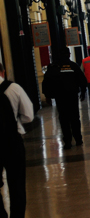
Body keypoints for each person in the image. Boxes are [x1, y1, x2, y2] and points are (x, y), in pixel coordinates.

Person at [0, 62, 34, 218]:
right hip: (12, 142)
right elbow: (29, 116)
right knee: (17, 184)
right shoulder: (13, 88)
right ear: (3, 71)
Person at [43, 47, 87, 149]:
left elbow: (46, 82)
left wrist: (48, 96)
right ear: (69, 54)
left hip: (60, 97)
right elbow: (82, 79)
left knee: (63, 118)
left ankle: (67, 141)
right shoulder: (73, 65)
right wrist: (83, 92)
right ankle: (78, 139)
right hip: (72, 96)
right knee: (75, 118)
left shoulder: (53, 66)